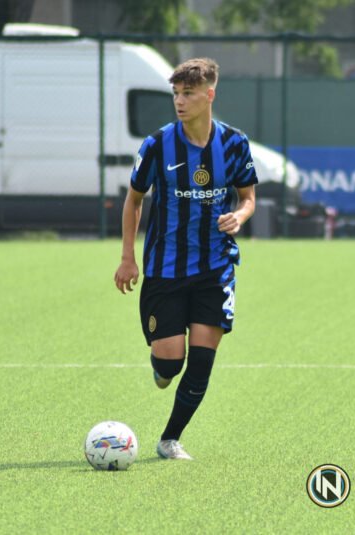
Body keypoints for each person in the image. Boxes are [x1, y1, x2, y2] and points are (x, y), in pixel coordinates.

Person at [113, 58, 257, 461]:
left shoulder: (234, 144)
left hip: (216, 267)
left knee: (204, 358)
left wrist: (240, 216)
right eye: (176, 94)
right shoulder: (158, 144)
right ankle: (162, 366)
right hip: (165, 268)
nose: (179, 101)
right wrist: (128, 258)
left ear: (209, 95)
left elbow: (248, 198)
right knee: (169, 365)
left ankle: (169, 439)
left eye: (188, 94)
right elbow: (134, 201)